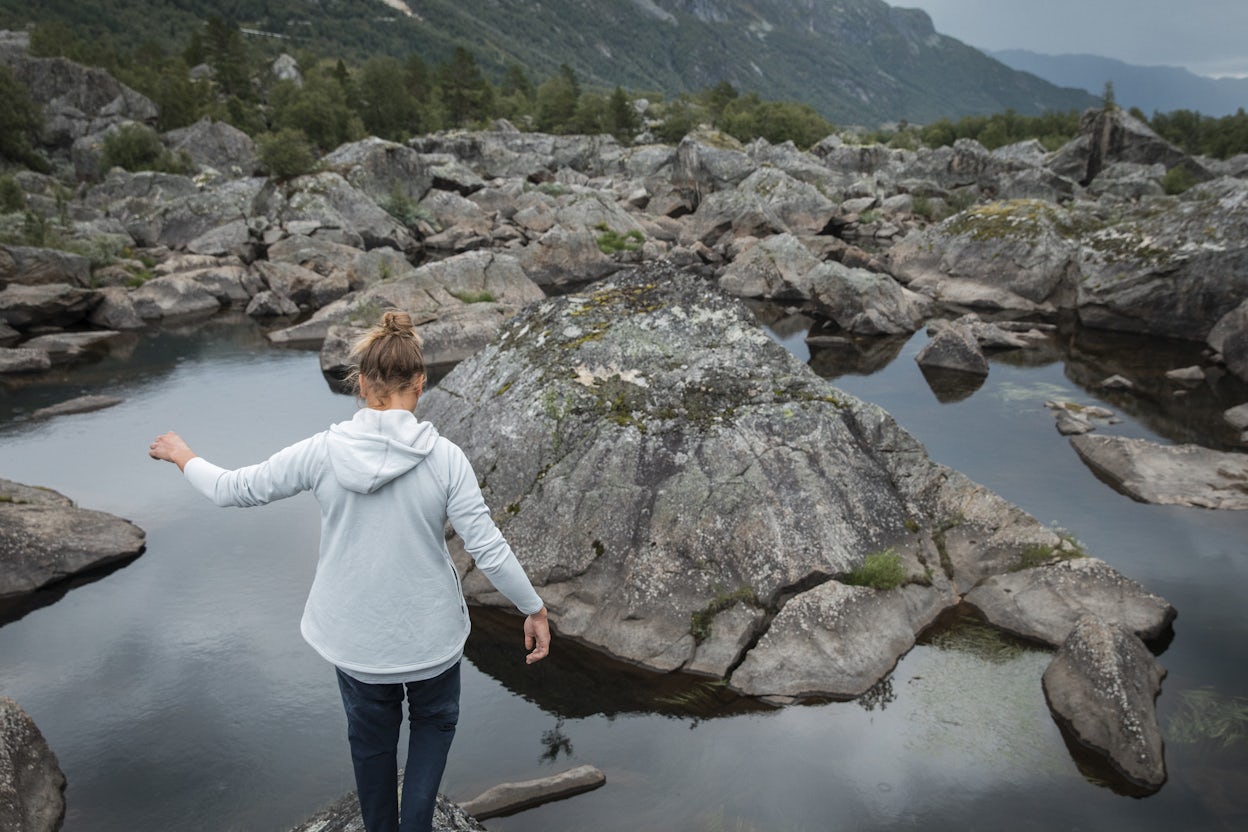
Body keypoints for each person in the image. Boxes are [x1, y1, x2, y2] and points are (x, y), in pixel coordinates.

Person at [148, 309, 550, 832]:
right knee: (434, 724)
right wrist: (533, 607)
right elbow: (489, 548)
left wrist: (184, 456)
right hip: (431, 639)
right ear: (421, 382)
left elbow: (233, 490)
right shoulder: (445, 458)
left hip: (356, 643)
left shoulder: (323, 451)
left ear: (361, 384)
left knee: (371, 743)